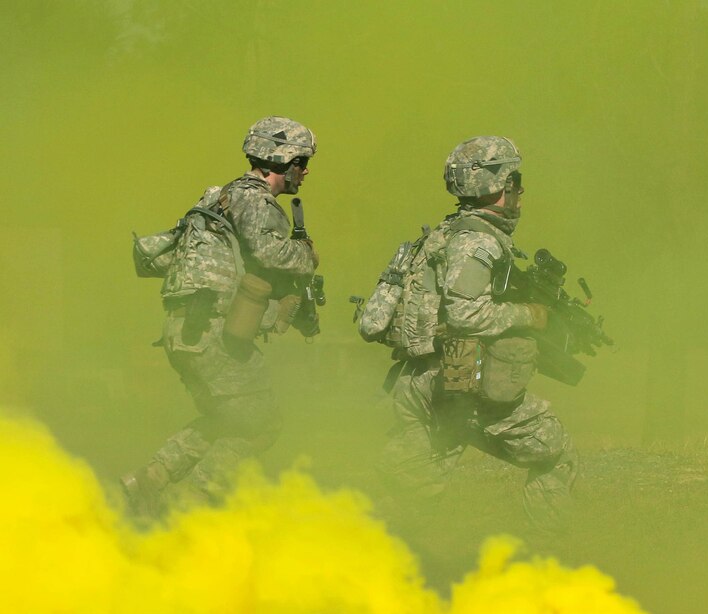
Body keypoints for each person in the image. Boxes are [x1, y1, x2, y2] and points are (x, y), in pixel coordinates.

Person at [360, 136, 577, 533]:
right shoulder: (477, 241)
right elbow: (465, 313)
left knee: (414, 490)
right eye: (516, 182)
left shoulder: (446, 232)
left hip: (418, 381)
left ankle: (350, 557)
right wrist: (530, 314)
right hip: (458, 383)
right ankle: (553, 562)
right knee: (554, 449)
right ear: (501, 186)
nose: (521, 193)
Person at [121, 116, 320, 516]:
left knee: (227, 414)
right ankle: (190, 506)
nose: (305, 171)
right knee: (262, 423)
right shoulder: (254, 200)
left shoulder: (220, 198)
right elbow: (269, 254)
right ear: (280, 160)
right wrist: (308, 257)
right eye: (300, 162)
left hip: (190, 329)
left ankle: (150, 480)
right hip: (214, 331)